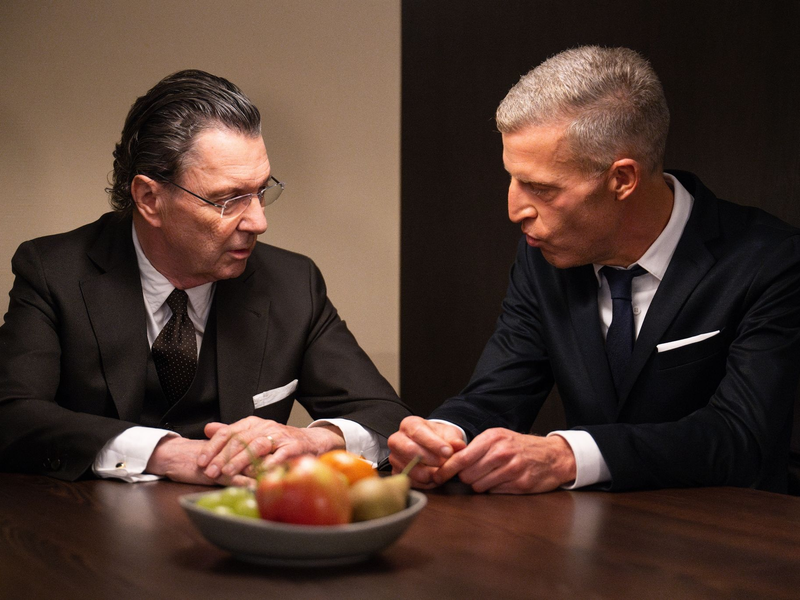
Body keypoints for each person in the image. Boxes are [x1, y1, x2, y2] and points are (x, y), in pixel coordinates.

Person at [388, 46, 800, 494]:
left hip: (735, 542)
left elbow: (743, 438)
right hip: (591, 541)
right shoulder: (542, 254)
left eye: (541, 188)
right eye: (512, 177)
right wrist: (444, 435)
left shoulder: (773, 260)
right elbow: (497, 395)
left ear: (622, 179)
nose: (514, 209)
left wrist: (569, 456)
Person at [0, 69, 410, 486]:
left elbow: (387, 416)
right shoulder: (55, 271)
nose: (259, 221)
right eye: (229, 199)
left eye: (261, 191)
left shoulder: (292, 283)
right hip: (83, 530)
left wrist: (317, 440)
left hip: (240, 531)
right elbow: (12, 415)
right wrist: (164, 453)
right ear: (149, 199)